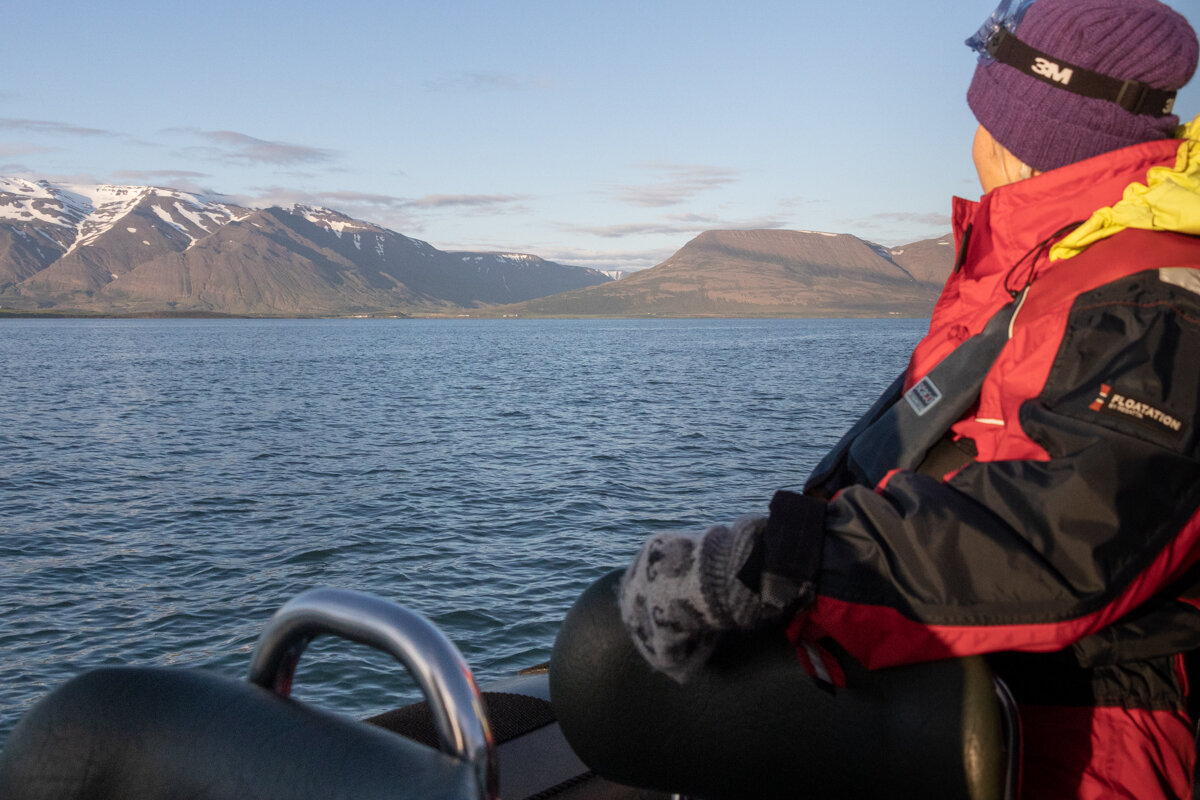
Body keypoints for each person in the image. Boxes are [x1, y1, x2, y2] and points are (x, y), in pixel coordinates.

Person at [617, 0, 1200, 797]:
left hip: (1082, 747)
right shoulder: (1040, 272)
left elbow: (1069, 538)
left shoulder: (1157, 300)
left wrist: (776, 563)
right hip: (954, 713)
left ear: (1023, 129)